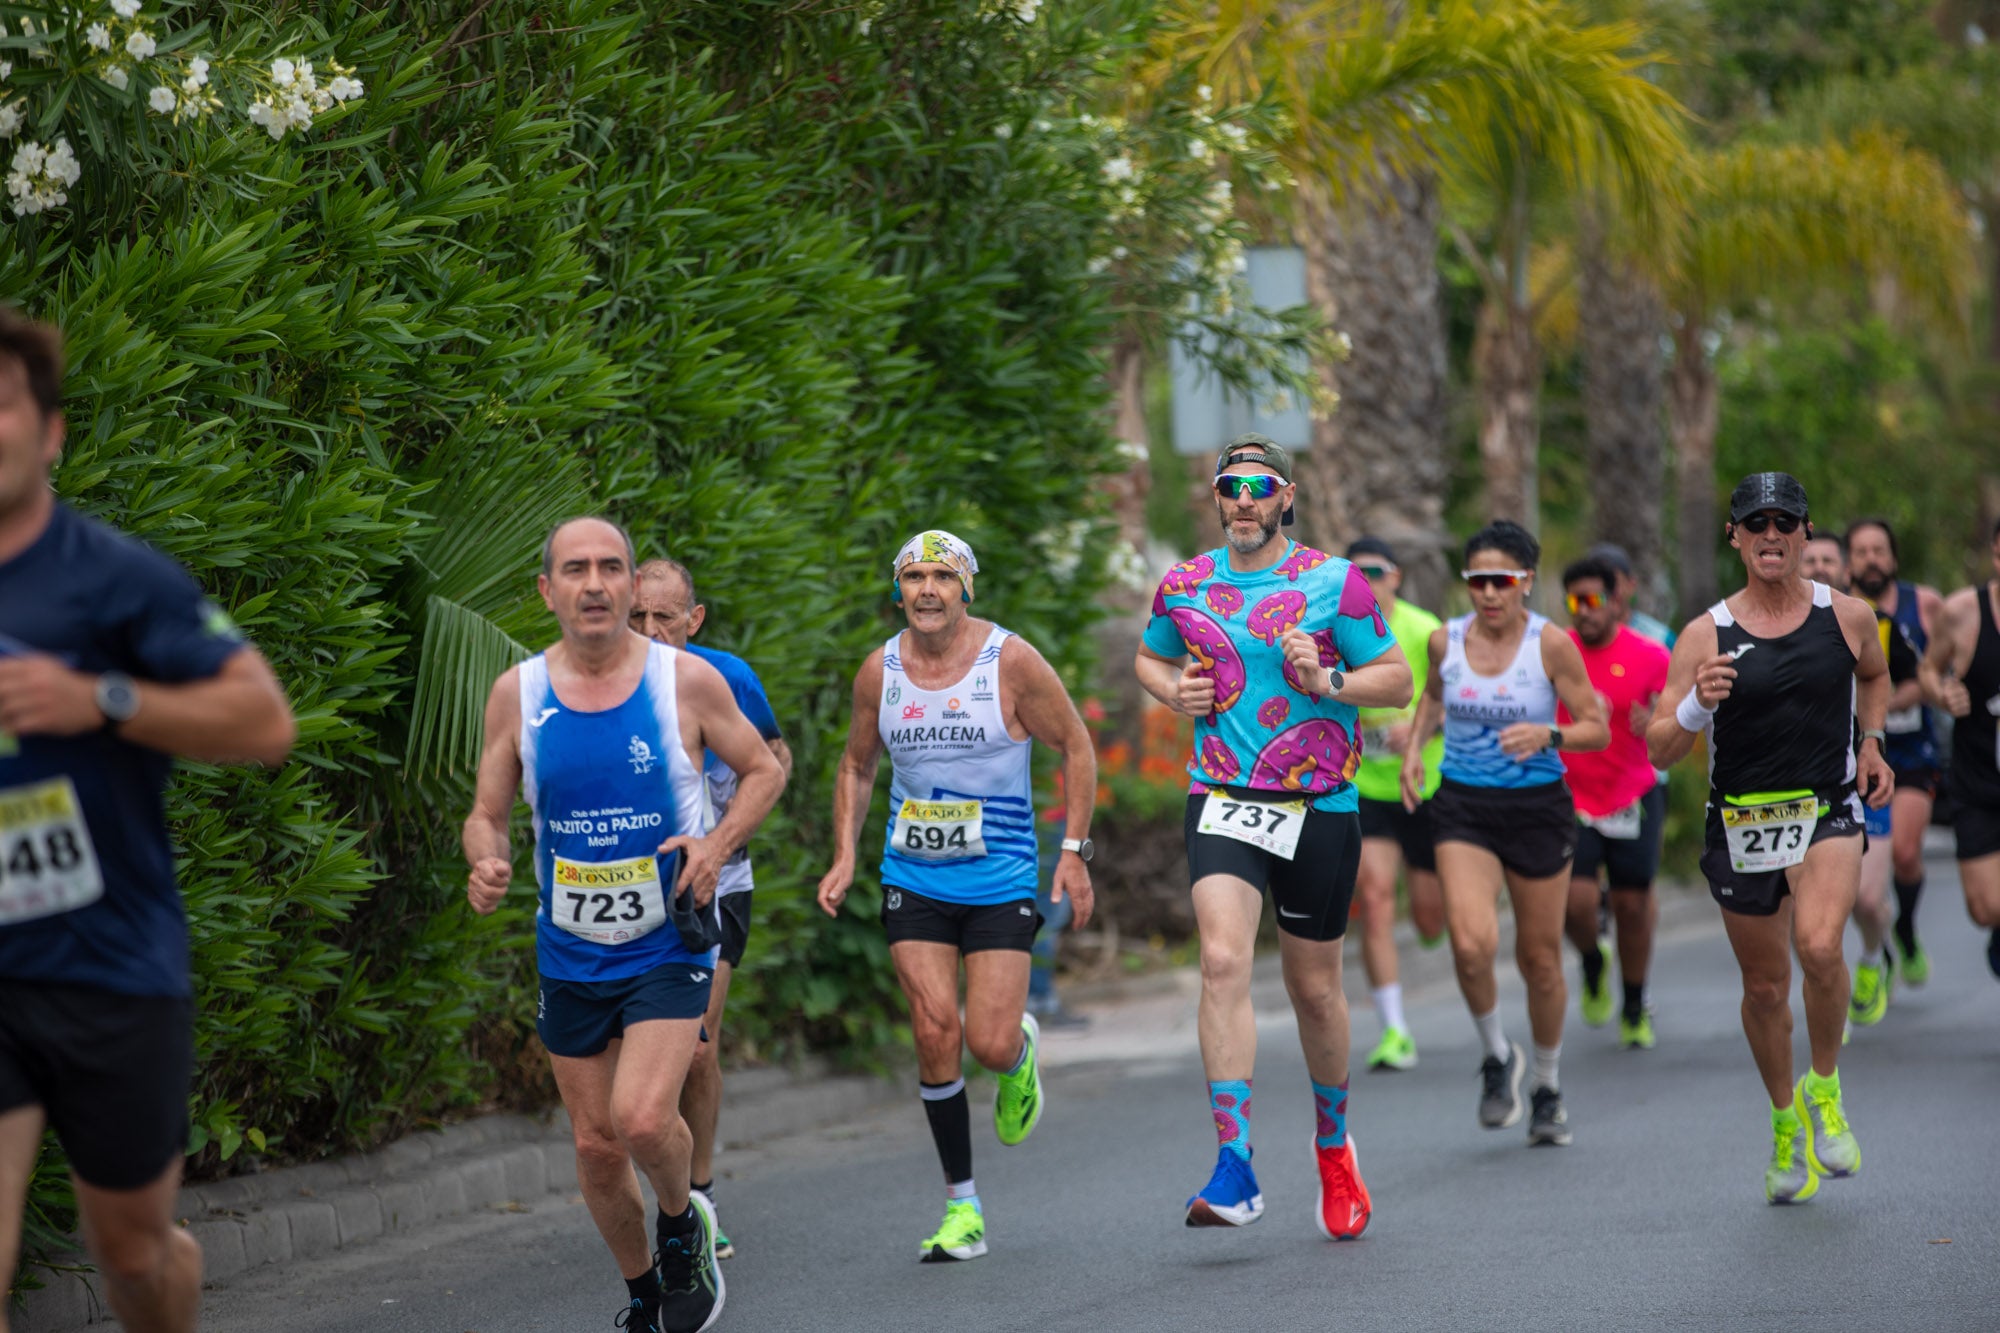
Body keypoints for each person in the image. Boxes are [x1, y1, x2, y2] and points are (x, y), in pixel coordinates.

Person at [0, 309, 297, 1333]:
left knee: (131, 1254)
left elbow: (265, 722)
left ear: (50, 433)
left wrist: (104, 699)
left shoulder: (115, 577)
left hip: (109, 965)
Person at [464, 517, 786, 1333]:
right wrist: (487, 860)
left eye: (612, 566)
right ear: (549, 591)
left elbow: (764, 769)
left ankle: (683, 1223)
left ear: (633, 583)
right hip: (570, 946)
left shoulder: (687, 682)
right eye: (576, 569)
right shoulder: (517, 694)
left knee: (642, 1116)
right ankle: (644, 1291)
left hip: (669, 938)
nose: (596, 582)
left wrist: (716, 845)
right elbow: (486, 814)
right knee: (597, 1143)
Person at [1136, 434, 1411, 1239]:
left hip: (1317, 803)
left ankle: (1333, 1146)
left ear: (1287, 495)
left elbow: (1396, 679)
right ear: (1218, 497)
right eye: (1231, 486)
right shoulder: (1185, 583)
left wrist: (1328, 679)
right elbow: (1151, 658)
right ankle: (1235, 1160)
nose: (1244, 500)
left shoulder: (1334, 581)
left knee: (1314, 990)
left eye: (1260, 486)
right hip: (1222, 793)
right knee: (1222, 960)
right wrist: (1174, 691)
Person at [816, 530, 1096, 1264]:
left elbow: (1076, 745)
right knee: (934, 1029)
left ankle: (1018, 1053)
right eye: (914, 576)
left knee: (987, 1042)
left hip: (1000, 878)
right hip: (913, 877)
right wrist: (845, 853)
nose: (928, 589)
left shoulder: (1011, 661)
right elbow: (855, 765)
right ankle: (962, 1205)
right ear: (898, 591)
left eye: (943, 576)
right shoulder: (879, 671)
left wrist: (1074, 852)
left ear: (967, 588)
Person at [1648, 472, 1891, 1206]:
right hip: (1742, 821)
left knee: (1818, 946)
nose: (1772, 534)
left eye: (1786, 521)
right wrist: (1696, 704)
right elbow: (1658, 747)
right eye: (1757, 523)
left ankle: (1825, 1087)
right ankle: (1786, 1122)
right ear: (1735, 537)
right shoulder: (1706, 633)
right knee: (1764, 987)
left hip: (1826, 808)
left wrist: (1871, 742)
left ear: (1807, 532)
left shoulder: (1847, 615)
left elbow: (1875, 675)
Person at [1402, 521, 1607, 1147]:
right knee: (1470, 945)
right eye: (1478, 581)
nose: (1489, 593)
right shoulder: (1445, 640)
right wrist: (1414, 751)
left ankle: (1546, 1084)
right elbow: (1434, 698)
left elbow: (1596, 726)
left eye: (1502, 581)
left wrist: (1550, 734)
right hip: (1464, 806)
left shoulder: (1552, 646)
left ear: (1525, 582)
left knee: (1539, 960)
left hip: (1537, 809)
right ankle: (1497, 1055)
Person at [629, 559, 793, 1262]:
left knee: (697, 1046)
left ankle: (700, 1199)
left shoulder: (726, 677)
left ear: (693, 620)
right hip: (631, 889)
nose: (650, 630)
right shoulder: (599, 683)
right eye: (637, 616)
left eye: (664, 616)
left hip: (716, 883)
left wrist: (723, 835)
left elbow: (776, 759)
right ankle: (663, 1190)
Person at [1556, 556, 1671, 1049]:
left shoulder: (1650, 654)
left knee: (1632, 904)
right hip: (1571, 796)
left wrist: (1660, 721)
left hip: (1633, 792)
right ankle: (1591, 961)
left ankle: (1634, 1003)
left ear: (1615, 600)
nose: (1584, 609)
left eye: (1593, 599)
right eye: (1575, 600)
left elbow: (1681, 713)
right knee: (1575, 903)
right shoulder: (1555, 653)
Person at [1344, 536, 1446, 1072]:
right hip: (1367, 789)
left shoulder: (1424, 630)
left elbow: (1457, 697)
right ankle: (1393, 1030)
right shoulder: (1338, 632)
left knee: (1429, 918)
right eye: (1356, 573)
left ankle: (1432, 924)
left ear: (1396, 576)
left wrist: (1423, 728)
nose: (1367, 581)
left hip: (1426, 785)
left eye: (1376, 571)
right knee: (1376, 897)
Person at [1846, 519, 1946, 987]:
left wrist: (1898, 698)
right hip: (1857, 754)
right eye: (1861, 551)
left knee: (1906, 854)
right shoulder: (1839, 610)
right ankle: (1880, 943)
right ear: (1849, 561)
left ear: (1893, 558)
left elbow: (1940, 668)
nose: (1871, 559)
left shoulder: (1924, 604)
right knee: (1863, 878)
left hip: (1910, 750)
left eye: (1879, 550)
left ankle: (1905, 930)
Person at [1917, 516, 2000, 980]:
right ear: (1996, 553)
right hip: (1979, 780)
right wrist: (1943, 693)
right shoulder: (1963, 612)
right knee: (1985, 908)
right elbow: (1928, 670)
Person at [1586, 543, 1675, 647]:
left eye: (1612, 583)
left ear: (1631, 585)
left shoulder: (1660, 639)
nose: (1607, 594)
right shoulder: (1574, 643)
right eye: (1598, 586)